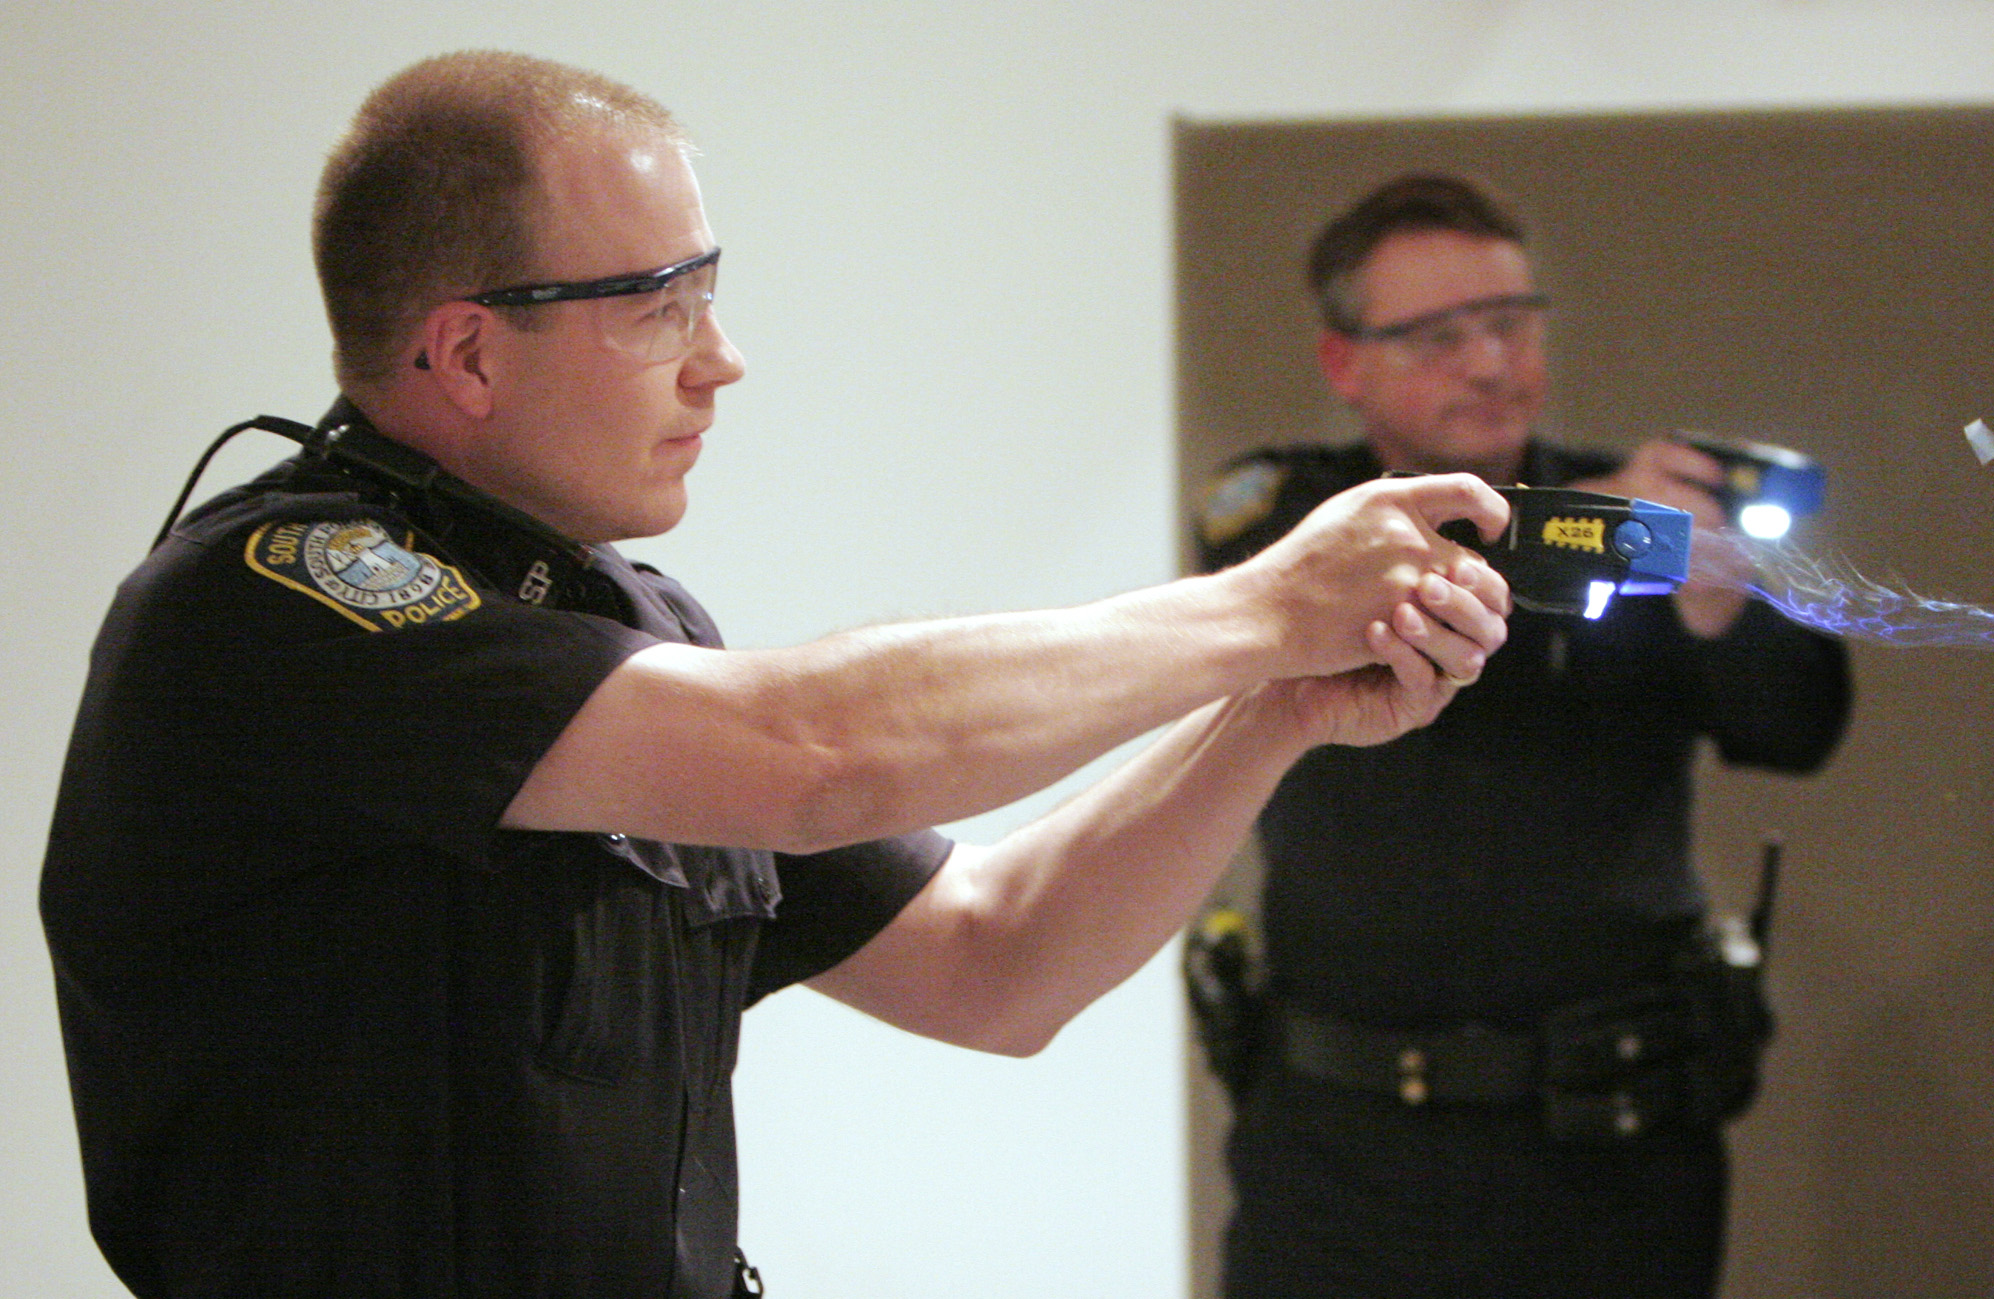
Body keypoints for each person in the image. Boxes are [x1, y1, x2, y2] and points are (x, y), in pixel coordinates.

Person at [39, 59, 1514, 1299]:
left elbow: (998, 957)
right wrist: (1260, 605)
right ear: (469, 354)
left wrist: (1273, 706)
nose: (721, 360)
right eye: (659, 305)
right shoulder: (279, 603)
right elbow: (818, 754)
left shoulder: (621, 627)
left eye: (712, 294)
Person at [1195, 174, 1852, 1297]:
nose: (1491, 363)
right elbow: (1362, 582)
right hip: (1341, 1153)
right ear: (1345, 364)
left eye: (1510, 322)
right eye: (1439, 337)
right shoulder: (1288, 510)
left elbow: (1796, 725)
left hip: (1610, 1156)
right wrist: (1601, 529)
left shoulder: (1651, 522)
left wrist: (1711, 602)